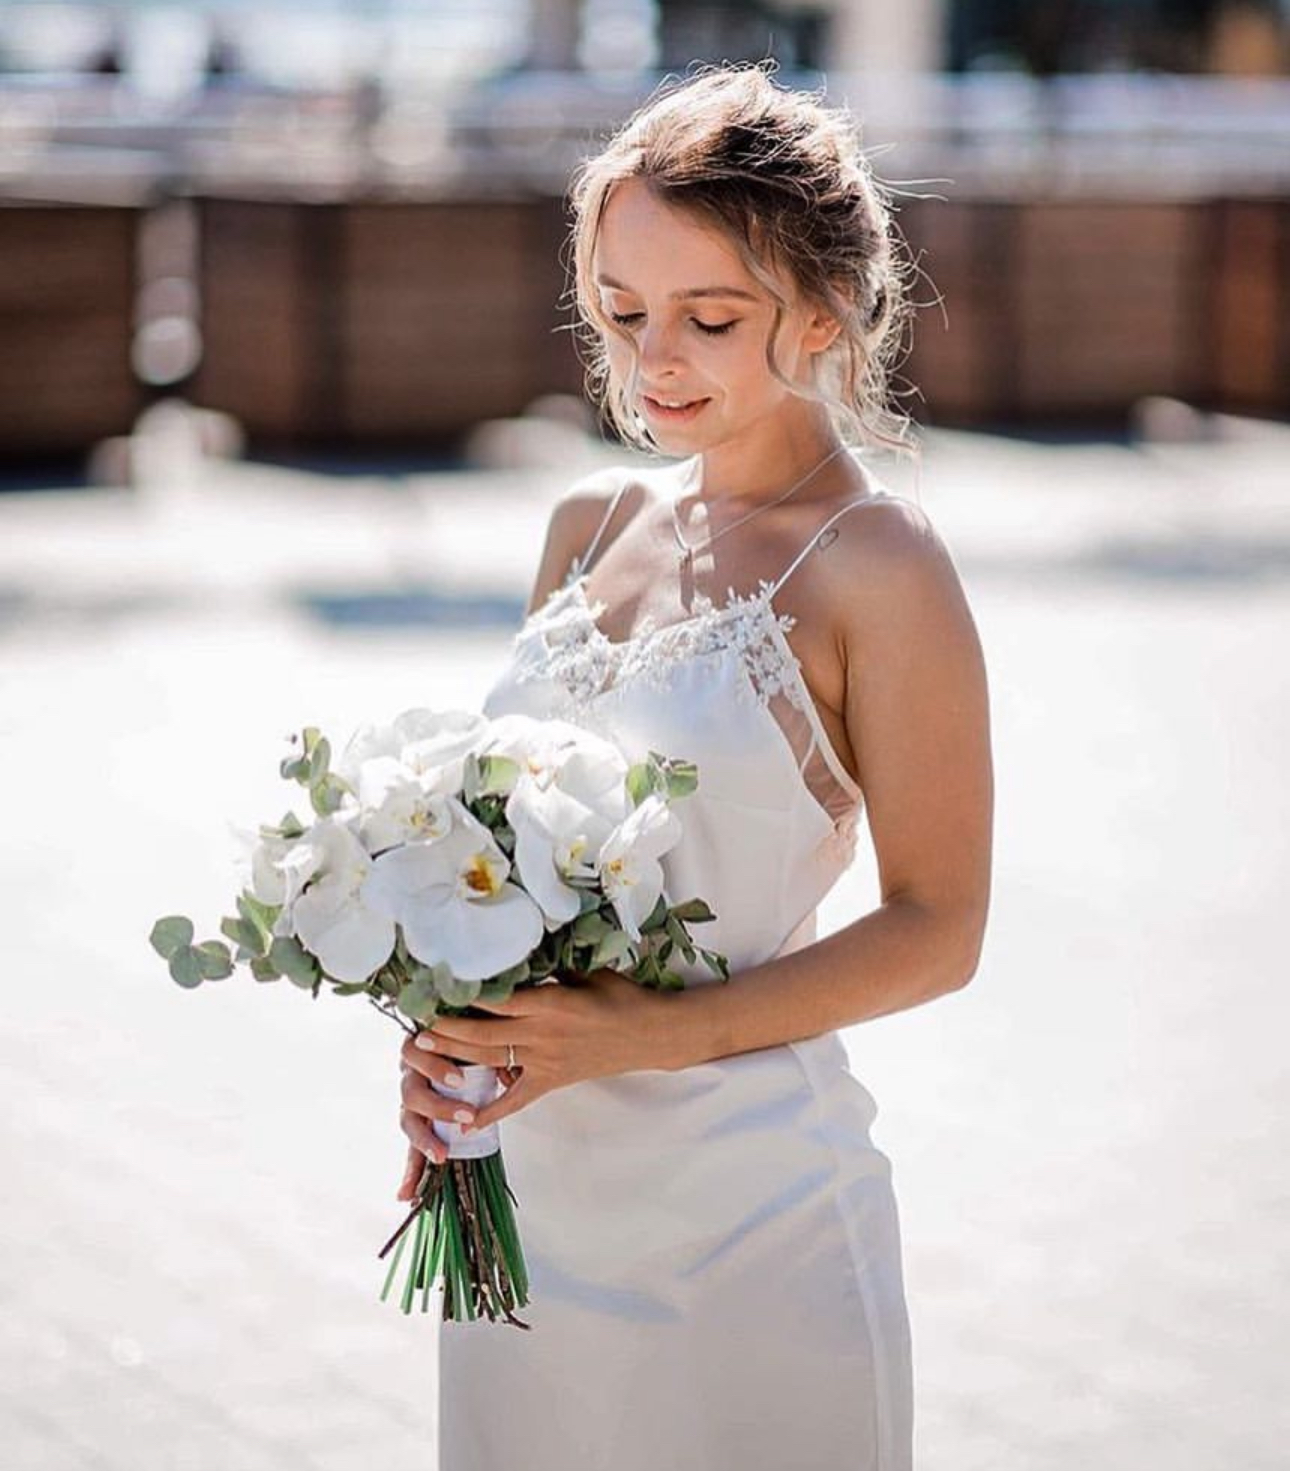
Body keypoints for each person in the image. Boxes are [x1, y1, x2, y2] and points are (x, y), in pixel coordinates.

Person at [396, 60, 993, 1470]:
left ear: (825, 311)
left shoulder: (878, 565)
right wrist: (444, 1032)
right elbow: (504, 849)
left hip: (749, 1218)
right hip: (525, 1199)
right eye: (620, 312)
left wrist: (637, 1036)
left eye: (708, 317)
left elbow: (938, 928)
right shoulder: (585, 524)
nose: (652, 358)